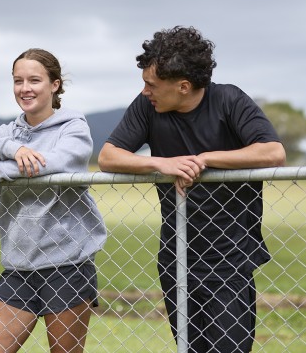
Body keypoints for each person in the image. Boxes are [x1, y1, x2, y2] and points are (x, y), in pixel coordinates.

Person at [98, 27, 286, 353]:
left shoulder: (229, 100)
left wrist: (207, 159)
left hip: (230, 257)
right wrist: (161, 164)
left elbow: (273, 152)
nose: (145, 92)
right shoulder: (148, 108)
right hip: (176, 256)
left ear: (183, 86)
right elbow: (107, 157)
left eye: (152, 84)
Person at [0, 48, 107, 353]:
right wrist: (10, 147)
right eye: (18, 80)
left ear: (55, 84)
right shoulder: (8, 132)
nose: (25, 88)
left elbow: (50, 163)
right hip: (19, 267)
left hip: (67, 265)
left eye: (34, 80)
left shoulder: (73, 128)